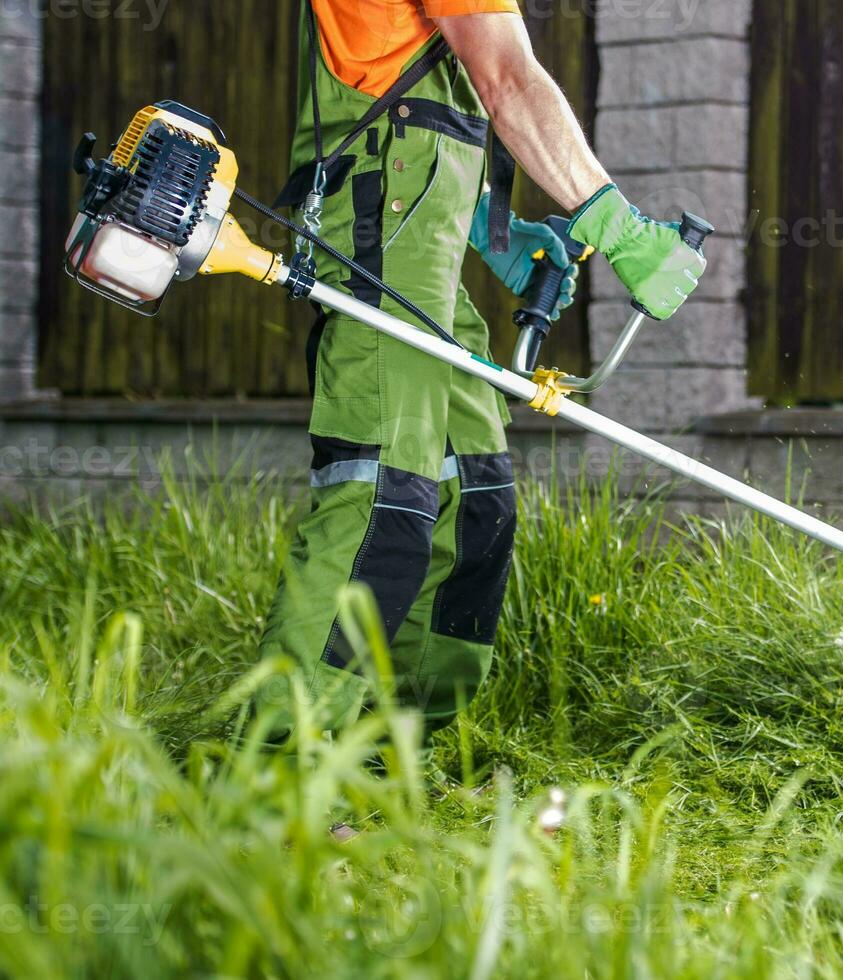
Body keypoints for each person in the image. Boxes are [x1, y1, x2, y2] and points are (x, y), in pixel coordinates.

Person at [256, 0, 705, 737]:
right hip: (385, 220)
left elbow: (399, 81)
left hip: (415, 230)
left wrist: (482, 228)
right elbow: (506, 80)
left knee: (474, 495)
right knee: (383, 498)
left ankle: (390, 751)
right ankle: (271, 783)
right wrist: (619, 228)